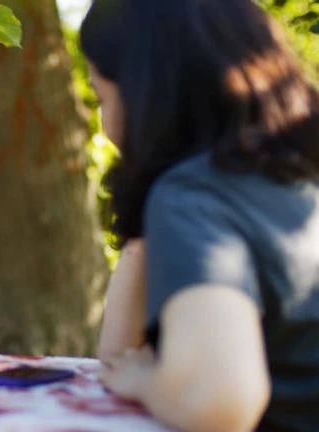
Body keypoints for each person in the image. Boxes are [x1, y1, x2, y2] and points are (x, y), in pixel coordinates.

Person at [81, 0, 319, 430]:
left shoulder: (194, 196)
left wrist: (144, 382)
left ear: (144, 95)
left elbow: (219, 399)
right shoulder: (291, 174)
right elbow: (120, 354)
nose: (104, 124)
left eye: (103, 97)